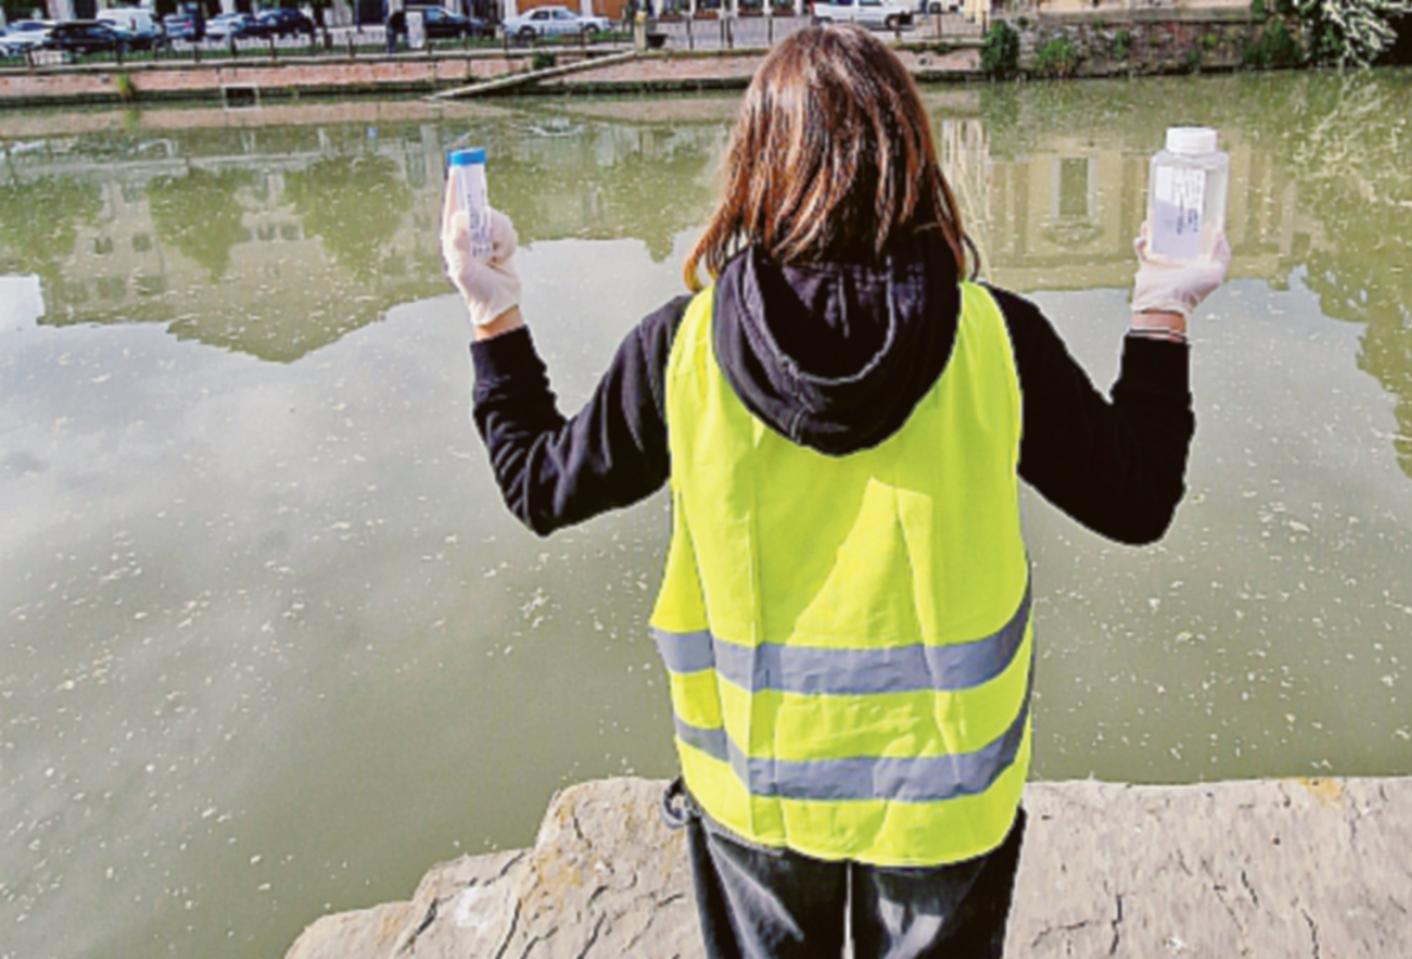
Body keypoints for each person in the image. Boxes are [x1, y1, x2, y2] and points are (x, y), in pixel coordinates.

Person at [441, 24, 1228, 959]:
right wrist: (1161, 306)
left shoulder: (681, 352)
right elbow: (1138, 502)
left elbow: (537, 482)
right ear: (911, 157)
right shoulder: (994, 340)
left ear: (755, 165)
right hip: (947, 802)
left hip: (754, 796)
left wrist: (492, 306)